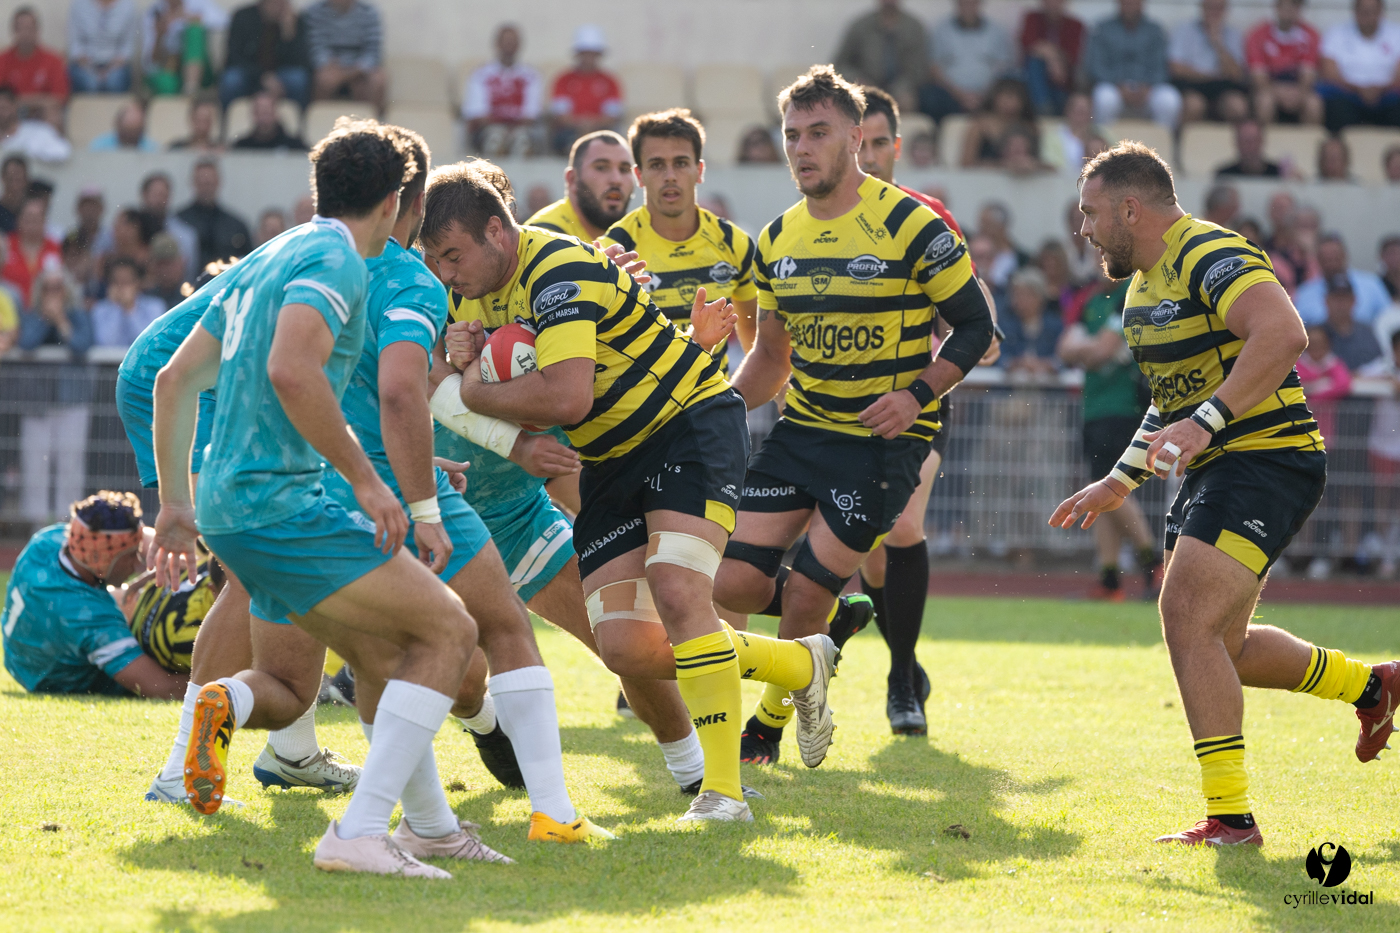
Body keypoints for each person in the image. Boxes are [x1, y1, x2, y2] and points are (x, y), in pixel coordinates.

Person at [426, 157, 840, 824]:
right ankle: (797, 664)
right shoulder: (467, 294)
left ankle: (722, 791)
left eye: (452, 254)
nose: (446, 272)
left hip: (688, 425)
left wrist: (476, 386)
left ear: (498, 231)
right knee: (624, 647)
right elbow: (435, 375)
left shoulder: (557, 266)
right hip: (611, 459)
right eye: (436, 259)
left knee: (678, 589)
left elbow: (564, 393)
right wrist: (459, 358)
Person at [147, 118, 499, 876]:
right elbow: (292, 370)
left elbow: (175, 380)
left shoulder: (268, 252)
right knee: (449, 632)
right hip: (284, 506)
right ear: (403, 200)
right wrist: (371, 481)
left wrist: (176, 504)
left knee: (348, 662)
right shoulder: (340, 258)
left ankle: (431, 827)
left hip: (229, 511)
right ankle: (361, 831)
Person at [1051, 141, 1397, 847]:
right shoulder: (1143, 287)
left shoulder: (1208, 250)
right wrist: (1121, 479)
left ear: (1129, 207)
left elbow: (1283, 332)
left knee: (1184, 615)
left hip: (1268, 458)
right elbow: (1172, 402)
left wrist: (1208, 423)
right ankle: (1372, 685)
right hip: (1228, 465)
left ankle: (1232, 818)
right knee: (1222, 644)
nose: (1082, 230)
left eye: (1089, 214)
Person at [311, 125, 607, 848]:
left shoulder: (294, 257)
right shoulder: (409, 278)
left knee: (375, 657)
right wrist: (420, 499)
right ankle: (548, 811)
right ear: (402, 202)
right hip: (399, 483)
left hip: (300, 486)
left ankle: (420, 821)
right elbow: (408, 396)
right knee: (497, 629)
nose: (440, 260)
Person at [712, 66, 993, 764]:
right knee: (731, 584)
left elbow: (975, 327)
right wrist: (709, 408)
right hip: (802, 431)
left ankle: (769, 723)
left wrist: (917, 395)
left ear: (858, 138)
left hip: (879, 444)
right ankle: (816, 657)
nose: (802, 148)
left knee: (806, 596)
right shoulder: (776, 239)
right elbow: (771, 359)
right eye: (791, 136)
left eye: (819, 133)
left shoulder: (912, 223)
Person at [853, 85, 1000, 734]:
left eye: (879, 142)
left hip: (918, 405)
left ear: (896, 146)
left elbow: (966, 305)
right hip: (839, 411)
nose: (869, 154)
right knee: (870, 549)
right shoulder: (807, 218)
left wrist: (981, 332)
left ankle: (899, 685)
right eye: (858, 142)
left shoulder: (928, 215)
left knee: (902, 528)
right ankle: (905, 664)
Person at [600, 109, 759, 372]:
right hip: (644, 410)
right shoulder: (616, 248)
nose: (670, 175)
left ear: (699, 170)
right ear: (639, 175)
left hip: (713, 406)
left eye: (681, 163)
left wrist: (739, 398)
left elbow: (755, 338)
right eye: (657, 164)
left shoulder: (734, 242)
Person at [1, 492, 191, 697]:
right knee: (160, 614)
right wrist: (224, 678)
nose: (138, 564)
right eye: (131, 555)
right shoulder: (88, 616)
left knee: (136, 595)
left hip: (20, 653)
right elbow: (161, 687)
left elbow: (132, 537)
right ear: (102, 560)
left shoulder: (48, 540)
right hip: (50, 677)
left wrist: (186, 553)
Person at [1058, 277, 1162, 600]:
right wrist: (1092, 350)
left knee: (1113, 487)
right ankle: (1110, 578)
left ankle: (1153, 562)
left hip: (1123, 407)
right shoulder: (1090, 299)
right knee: (1100, 488)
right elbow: (1065, 350)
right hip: (1095, 409)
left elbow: (1102, 351)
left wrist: (1086, 350)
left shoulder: (1130, 295)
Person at [17, 266, 92, 526]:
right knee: (35, 465)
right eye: (47, 288)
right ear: (40, 291)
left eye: (58, 287)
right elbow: (26, 344)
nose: (53, 293)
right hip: (38, 404)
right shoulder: (31, 316)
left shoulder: (78, 315)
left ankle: (66, 523)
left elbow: (81, 345)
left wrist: (61, 320)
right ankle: (38, 525)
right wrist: (45, 318)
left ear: (66, 290)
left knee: (70, 464)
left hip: (72, 401)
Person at [524, 129, 634, 242]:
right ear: (572, 179)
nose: (616, 180)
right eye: (601, 167)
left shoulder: (638, 234)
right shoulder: (544, 236)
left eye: (624, 169)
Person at [1087, 0, 1182, 128]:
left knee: (1169, 100)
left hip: (1148, 89)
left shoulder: (1154, 29)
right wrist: (1118, 85)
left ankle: (1160, 145)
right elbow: (1096, 65)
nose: (1130, 5)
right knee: (1104, 99)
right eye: (1126, 2)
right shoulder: (1103, 28)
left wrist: (1147, 87)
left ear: (1142, 4)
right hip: (1115, 87)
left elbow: (1161, 66)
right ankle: (1103, 144)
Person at [921, 0, 1015, 123]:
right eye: (964, 2)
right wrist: (960, 95)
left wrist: (984, 93)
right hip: (951, 94)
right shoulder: (941, 30)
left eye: (972, 2)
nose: (968, 6)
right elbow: (934, 68)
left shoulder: (997, 31)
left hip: (988, 94)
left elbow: (1004, 68)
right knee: (929, 97)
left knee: (1009, 96)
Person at [462, 24, 543, 157]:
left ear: (519, 45)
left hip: (521, 131)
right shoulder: (480, 75)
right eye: (505, 42)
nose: (509, 46)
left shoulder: (532, 76)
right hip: (488, 130)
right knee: (496, 136)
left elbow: (531, 115)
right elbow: (477, 115)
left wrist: (511, 130)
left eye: (512, 42)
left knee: (522, 138)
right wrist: (503, 129)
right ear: (497, 44)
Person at [1318, 0, 1400, 132]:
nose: (1368, 16)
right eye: (1364, 12)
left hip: (1386, 95)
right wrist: (1358, 89)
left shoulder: (1397, 34)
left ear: (1381, 13)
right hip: (1348, 94)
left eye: (1372, 12)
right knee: (1333, 102)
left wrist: (1380, 89)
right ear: (1355, 12)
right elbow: (1329, 73)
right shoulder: (1336, 33)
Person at [833, 0, 929, 112]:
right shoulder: (860, 26)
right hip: (865, 87)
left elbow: (919, 68)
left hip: (902, 90)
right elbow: (840, 64)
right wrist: (857, 79)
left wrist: (901, 88)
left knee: (908, 102)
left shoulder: (914, 28)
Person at [1168, 0, 1250, 124]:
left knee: (1237, 106)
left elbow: (1236, 74)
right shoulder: (1184, 30)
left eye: (1218, 8)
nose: (1214, 12)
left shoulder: (1234, 35)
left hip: (1223, 89)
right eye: (1210, 8)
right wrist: (1209, 76)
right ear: (1202, 8)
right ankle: (1184, 142)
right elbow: (1176, 68)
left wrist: (1217, 43)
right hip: (1192, 86)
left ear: (1225, 10)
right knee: (1194, 105)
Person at [548, 25, 623, 156]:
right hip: (570, 133)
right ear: (577, 54)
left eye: (593, 54)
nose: (588, 58)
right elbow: (560, 116)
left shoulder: (610, 81)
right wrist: (582, 125)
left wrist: (590, 125)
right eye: (585, 53)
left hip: (600, 132)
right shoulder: (563, 80)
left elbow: (612, 117)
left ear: (599, 55)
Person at [1246, 0, 1324, 124]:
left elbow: (1308, 76)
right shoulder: (1258, 34)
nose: (1289, 8)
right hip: (1270, 88)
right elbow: (1259, 77)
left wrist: (1298, 93)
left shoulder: (1311, 35)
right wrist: (1277, 92)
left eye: (1295, 4)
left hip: (1297, 88)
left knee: (1313, 104)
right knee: (1265, 102)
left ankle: (1309, 142)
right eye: (1284, 3)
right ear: (1276, 6)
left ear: (1300, 7)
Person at [222, 0, 311, 108]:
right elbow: (234, 57)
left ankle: (300, 121)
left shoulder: (295, 22)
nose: (279, 7)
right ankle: (226, 119)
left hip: (280, 76)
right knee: (231, 80)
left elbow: (301, 62)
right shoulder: (243, 17)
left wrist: (288, 34)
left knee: (298, 79)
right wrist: (263, 76)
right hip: (249, 73)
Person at [305, 0, 385, 115]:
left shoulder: (369, 13)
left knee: (379, 80)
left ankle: (371, 125)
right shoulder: (315, 12)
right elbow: (316, 48)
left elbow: (373, 53)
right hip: (331, 69)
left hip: (359, 70)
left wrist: (351, 72)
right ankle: (322, 122)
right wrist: (330, 66)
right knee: (323, 79)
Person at [1294, 233, 1390, 325]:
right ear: (1317, 259)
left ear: (1345, 255)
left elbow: (1388, 320)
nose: (1331, 262)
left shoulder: (1371, 284)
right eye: (1326, 258)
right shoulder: (1304, 293)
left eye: (1335, 256)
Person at [176, 159, 253, 267]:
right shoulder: (178, 221)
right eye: (201, 183)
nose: (206, 188)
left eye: (209, 183)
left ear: (218, 182)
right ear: (193, 182)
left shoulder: (236, 226)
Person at [0, 7, 68, 127]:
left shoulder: (53, 60)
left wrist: (22, 101)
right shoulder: (3, 60)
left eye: (29, 28)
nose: (25, 33)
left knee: (53, 114)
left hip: (40, 114)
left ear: (37, 30)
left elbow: (58, 98)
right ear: (13, 31)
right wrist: (39, 100)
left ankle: (50, 144)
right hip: (11, 115)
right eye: (21, 28)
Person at [142, 0, 226, 96]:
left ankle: (191, 88)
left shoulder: (198, 3)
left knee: (194, 30)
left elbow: (223, 21)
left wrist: (188, 17)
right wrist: (159, 36)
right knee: (166, 84)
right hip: (171, 70)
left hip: (202, 69)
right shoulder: (154, 12)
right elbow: (149, 63)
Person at [1019, 0, 1086, 116]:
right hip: (1034, 82)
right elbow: (1028, 43)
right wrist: (1053, 59)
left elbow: (1073, 56)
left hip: (1063, 82)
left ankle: (1044, 108)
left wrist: (1052, 58)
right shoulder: (1032, 18)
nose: (1053, 4)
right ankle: (1043, 107)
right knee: (1035, 62)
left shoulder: (1075, 25)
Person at [960, 77, 1038, 169]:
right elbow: (966, 163)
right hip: (984, 179)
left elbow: (1044, 162)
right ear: (995, 98)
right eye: (1006, 97)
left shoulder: (1029, 127)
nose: (1010, 102)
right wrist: (1003, 165)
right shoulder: (980, 126)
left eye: (1015, 97)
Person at [999, 266, 1062, 378]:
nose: (1019, 300)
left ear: (1039, 297)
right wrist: (1019, 363)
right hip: (1010, 390)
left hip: (1049, 391)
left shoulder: (1055, 326)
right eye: (1016, 294)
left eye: (1026, 295)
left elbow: (1062, 360)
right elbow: (999, 358)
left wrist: (1045, 365)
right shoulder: (1005, 325)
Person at [67, 0, 138, 93]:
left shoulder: (128, 5)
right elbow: (75, 44)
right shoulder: (79, 4)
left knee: (114, 82)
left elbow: (127, 46)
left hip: (116, 65)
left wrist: (110, 69)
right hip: (85, 64)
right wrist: (91, 70)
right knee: (89, 83)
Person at [91, 256, 163, 348]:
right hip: (109, 362)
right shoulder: (99, 309)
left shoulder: (155, 306)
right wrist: (116, 306)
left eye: (126, 282)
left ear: (137, 283)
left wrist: (130, 308)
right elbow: (106, 343)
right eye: (116, 282)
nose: (120, 287)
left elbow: (147, 343)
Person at [4, 195, 59, 306]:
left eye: (37, 217)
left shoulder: (55, 247)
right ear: (18, 219)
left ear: (44, 220)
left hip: (44, 312)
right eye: (28, 216)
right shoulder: (5, 245)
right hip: (10, 309)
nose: (32, 221)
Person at [1323, 274, 1384, 370]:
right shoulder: (1316, 333)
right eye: (1336, 298)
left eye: (1345, 298)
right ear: (1326, 301)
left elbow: (1379, 365)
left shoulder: (1367, 332)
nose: (1341, 304)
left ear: (1354, 300)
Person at [0, 85, 70, 164]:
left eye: (3, 108)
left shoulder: (38, 131)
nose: (1, 113)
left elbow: (63, 152)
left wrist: (31, 153)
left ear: (15, 107)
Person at [232, 91, 309, 150]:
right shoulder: (241, 147)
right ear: (253, 115)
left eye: (267, 113)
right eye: (259, 113)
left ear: (276, 114)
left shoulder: (295, 147)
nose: (263, 119)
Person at [1217, 119, 1284, 177]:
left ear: (1262, 141)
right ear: (1237, 143)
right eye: (1245, 141)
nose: (1250, 146)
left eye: (1254, 140)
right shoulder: (1224, 177)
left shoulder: (1279, 175)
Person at [88, 101, 159, 152]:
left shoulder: (152, 149)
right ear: (118, 125)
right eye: (128, 130)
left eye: (135, 130)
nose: (131, 135)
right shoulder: (99, 147)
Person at [145, 232, 187, 308]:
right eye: (160, 264)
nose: (165, 270)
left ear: (181, 263)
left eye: (170, 263)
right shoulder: (144, 299)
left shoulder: (191, 295)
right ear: (151, 266)